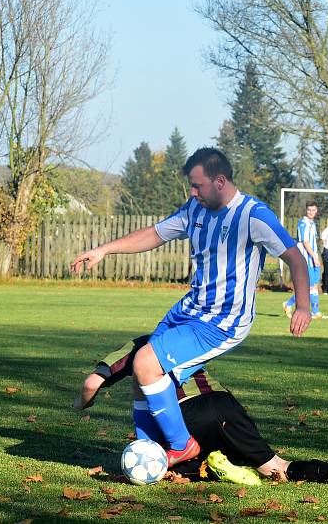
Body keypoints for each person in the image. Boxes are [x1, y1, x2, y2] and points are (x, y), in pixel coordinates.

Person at [70, 147, 312, 467]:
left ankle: (182, 446)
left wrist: (303, 306)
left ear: (220, 181)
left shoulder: (253, 215)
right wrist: (104, 250)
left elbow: (294, 256)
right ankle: (150, 453)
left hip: (223, 321)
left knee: (145, 363)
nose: (193, 192)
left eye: (197, 186)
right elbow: (155, 234)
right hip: (189, 309)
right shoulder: (194, 209)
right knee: (144, 375)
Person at [74, 335, 328, 486]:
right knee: (277, 468)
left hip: (186, 418)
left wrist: (80, 404)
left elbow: (91, 384)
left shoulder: (140, 346)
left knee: (170, 467)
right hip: (224, 406)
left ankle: (210, 466)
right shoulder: (187, 342)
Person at [283, 201, 325, 319]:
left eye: (313, 210)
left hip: (313, 258)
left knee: (314, 286)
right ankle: (289, 303)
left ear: (316, 211)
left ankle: (315, 312)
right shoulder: (303, 223)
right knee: (309, 287)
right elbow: (305, 242)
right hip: (307, 259)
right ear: (306, 211)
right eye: (309, 210)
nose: (311, 212)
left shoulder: (312, 223)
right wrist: (314, 257)